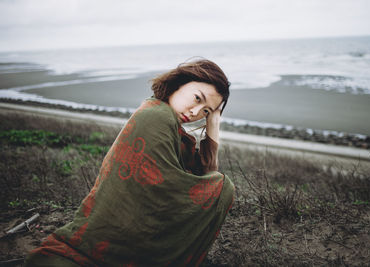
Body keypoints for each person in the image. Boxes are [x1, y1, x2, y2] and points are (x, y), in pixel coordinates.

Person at [25, 59, 235, 266]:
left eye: (206, 111)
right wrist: (221, 189)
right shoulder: (157, 117)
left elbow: (206, 170)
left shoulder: (165, 117)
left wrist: (213, 122)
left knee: (221, 186)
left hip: (113, 232)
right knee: (223, 187)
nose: (195, 113)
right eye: (197, 98)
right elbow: (177, 189)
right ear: (180, 82)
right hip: (117, 235)